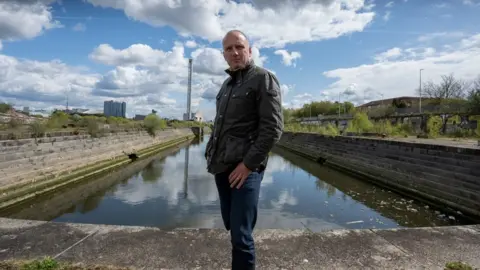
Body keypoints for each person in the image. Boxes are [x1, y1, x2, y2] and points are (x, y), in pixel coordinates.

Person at [204, 30, 284, 270]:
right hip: (221, 166)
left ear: (250, 50)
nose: (235, 52)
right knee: (231, 224)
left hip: (246, 169)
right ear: (224, 55)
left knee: (241, 234)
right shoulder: (226, 86)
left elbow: (273, 128)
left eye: (239, 47)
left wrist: (248, 165)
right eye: (229, 49)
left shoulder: (263, 78)